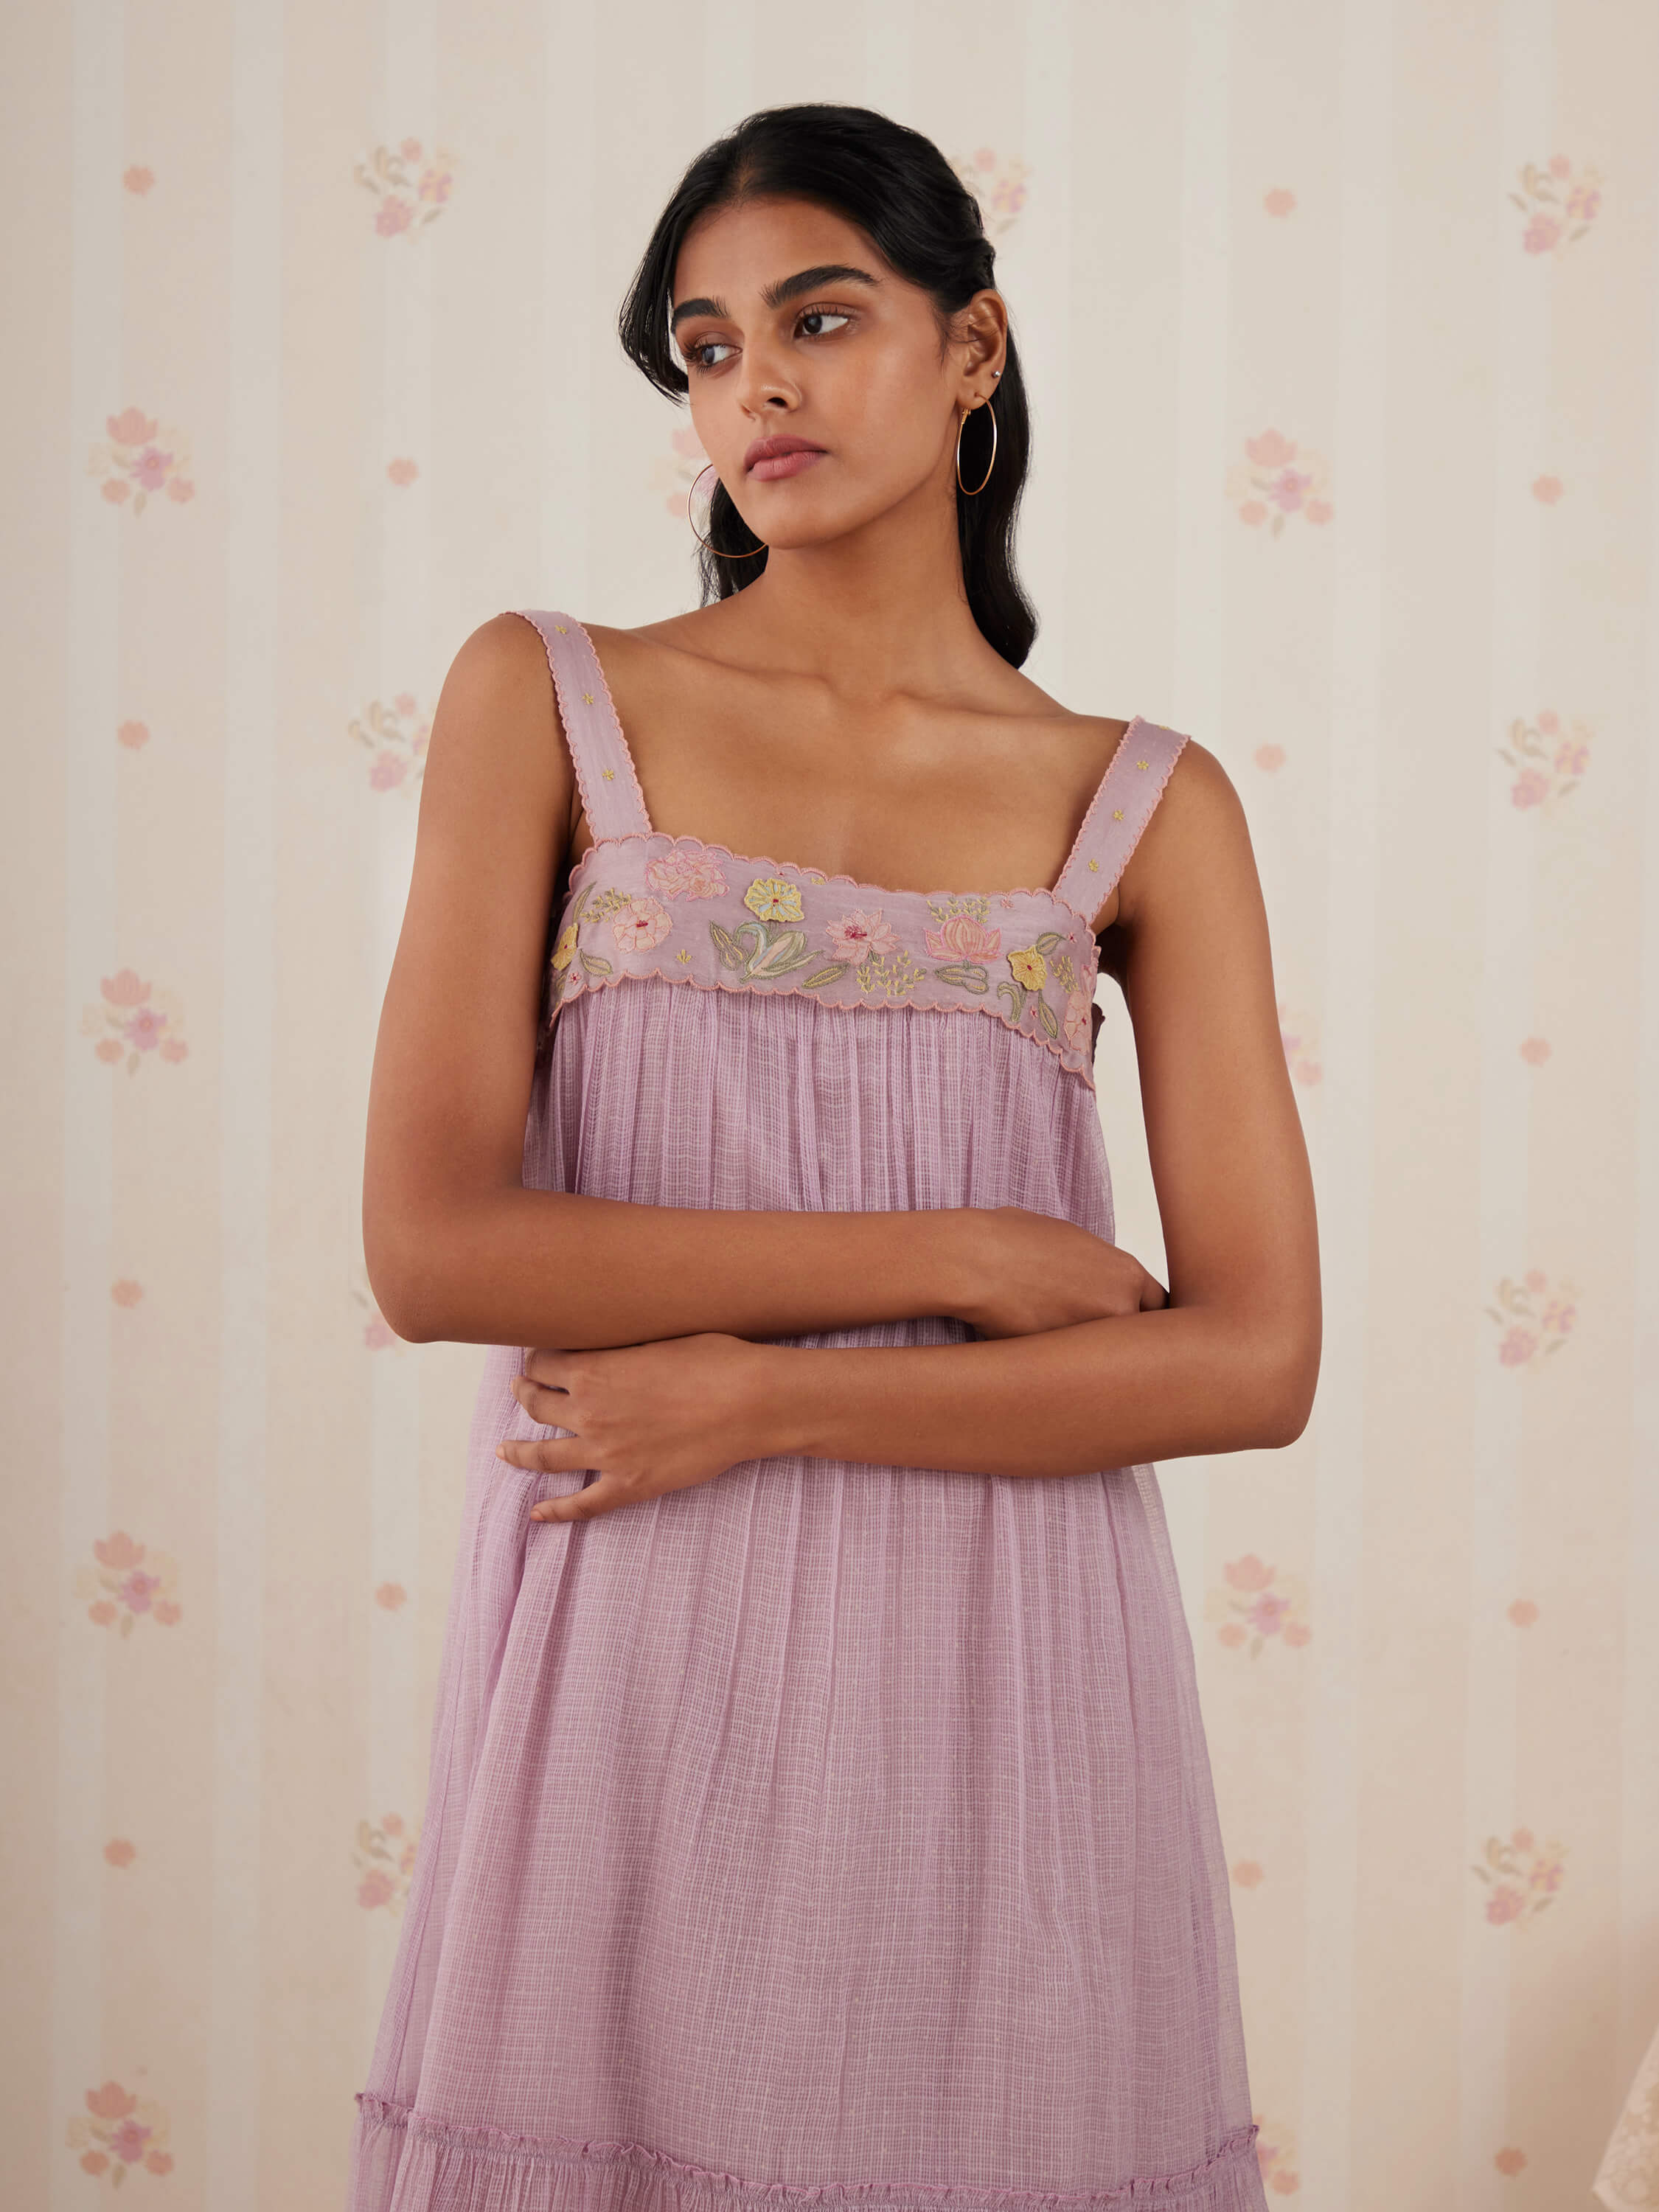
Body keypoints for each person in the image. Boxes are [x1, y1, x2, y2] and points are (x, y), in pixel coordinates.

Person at [347, 100, 1318, 2212]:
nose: (756, 386)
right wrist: (965, 1244)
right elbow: (432, 1249)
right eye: (701, 349)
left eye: (817, 316)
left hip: (1006, 1662)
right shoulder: (548, 700)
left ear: (970, 350)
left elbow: (1248, 1366)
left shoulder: (1143, 806)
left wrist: (765, 1397)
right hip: (637, 1639)